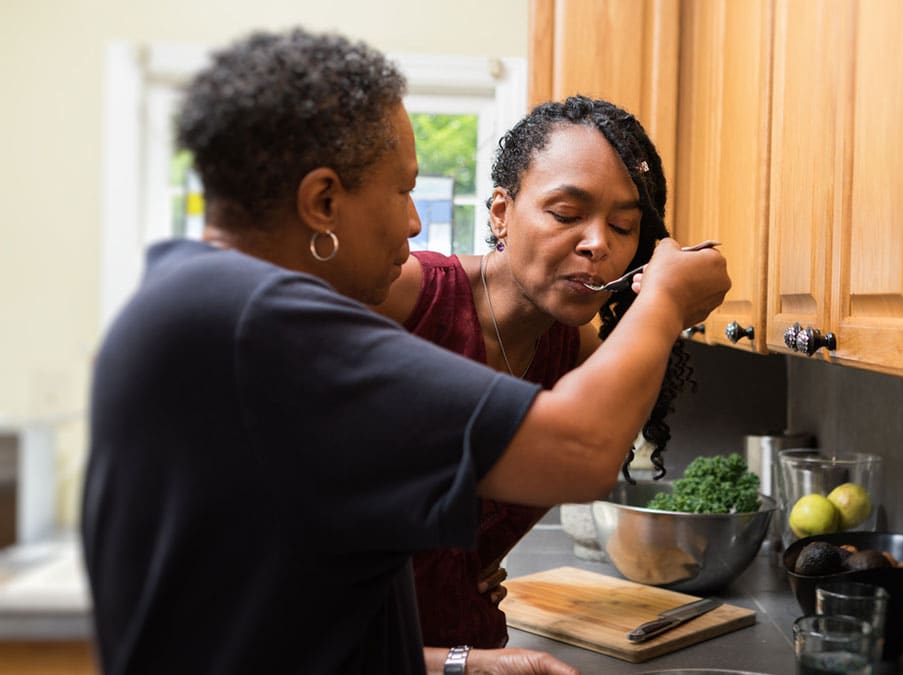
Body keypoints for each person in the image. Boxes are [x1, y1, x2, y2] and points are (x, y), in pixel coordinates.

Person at [80, 28, 729, 675]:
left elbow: (288, 619)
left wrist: (461, 663)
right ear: (324, 201)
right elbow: (579, 449)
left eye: (623, 225)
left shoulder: (209, 305)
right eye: (402, 189)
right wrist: (665, 301)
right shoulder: (256, 325)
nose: (415, 223)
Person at [374, 95, 689, 649]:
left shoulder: (582, 360)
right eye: (567, 215)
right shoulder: (403, 296)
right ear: (500, 213)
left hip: (471, 649)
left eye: (623, 226)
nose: (598, 244)